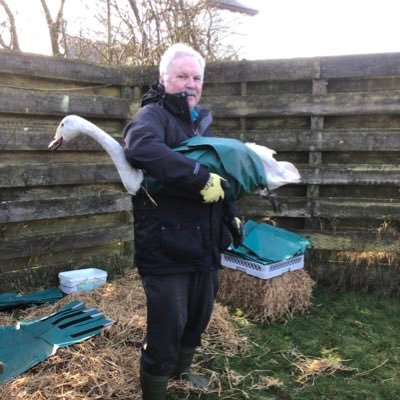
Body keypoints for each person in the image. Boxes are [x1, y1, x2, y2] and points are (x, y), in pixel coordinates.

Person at [123, 43, 243, 400]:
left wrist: (232, 214)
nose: (190, 83)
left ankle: (183, 371)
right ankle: (155, 390)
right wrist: (197, 177)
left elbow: (218, 175)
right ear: (164, 78)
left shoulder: (200, 122)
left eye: (196, 77)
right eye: (182, 76)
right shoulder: (153, 116)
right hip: (166, 246)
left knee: (197, 320)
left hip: (204, 243)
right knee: (165, 330)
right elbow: (141, 148)